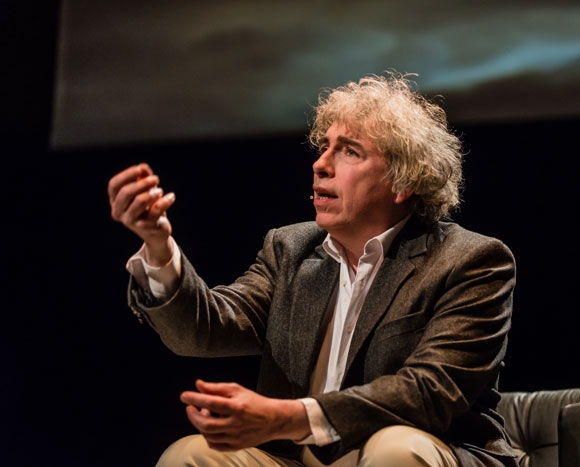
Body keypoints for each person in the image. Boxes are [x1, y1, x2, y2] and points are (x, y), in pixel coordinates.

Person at [108, 70, 517, 467]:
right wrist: (158, 245)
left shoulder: (470, 260)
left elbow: (430, 392)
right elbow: (204, 329)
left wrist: (289, 417)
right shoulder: (291, 249)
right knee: (190, 455)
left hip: (427, 448)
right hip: (299, 458)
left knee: (394, 450)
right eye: (324, 147)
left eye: (349, 151)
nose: (320, 164)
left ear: (403, 181)